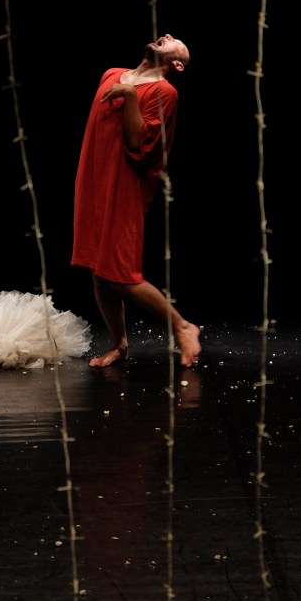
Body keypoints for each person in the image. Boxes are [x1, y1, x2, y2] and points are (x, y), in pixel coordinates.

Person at [71, 33, 201, 368]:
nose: (166, 35)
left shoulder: (164, 92)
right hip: (95, 180)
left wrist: (130, 95)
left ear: (176, 65)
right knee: (99, 271)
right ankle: (120, 345)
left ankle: (183, 326)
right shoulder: (111, 74)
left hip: (124, 185)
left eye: (175, 41)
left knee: (121, 274)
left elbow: (138, 143)